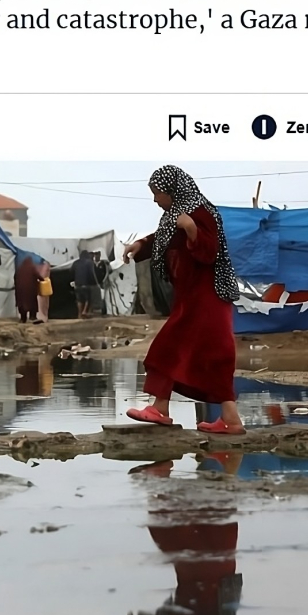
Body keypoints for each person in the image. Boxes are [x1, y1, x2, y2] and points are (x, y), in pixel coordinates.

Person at [122, 165, 244, 434]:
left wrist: (191, 230)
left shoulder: (201, 212)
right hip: (191, 295)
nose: (155, 199)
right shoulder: (173, 215)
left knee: (172, 347)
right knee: (206, 354)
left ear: (172, 191)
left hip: (209, 295)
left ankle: (160, 407)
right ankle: (229, 419)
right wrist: (139, 246)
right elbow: (162, 239)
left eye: (157, 193)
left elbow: (210, 252)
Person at [127, 460, 243, 615]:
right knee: (189, 521)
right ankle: (213, 465)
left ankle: (164, 474)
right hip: (211, 575)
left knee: (166, 528)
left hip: (191, 578)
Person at [14, 256, 40, 323]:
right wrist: (43, 280)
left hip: (20, 291)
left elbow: (15, 277)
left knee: (22, 304)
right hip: (30, 291)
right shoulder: (32, 267)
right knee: (32, 303)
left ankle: (23, 318)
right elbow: (38, 275)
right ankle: (32, 317)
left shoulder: (20, 268)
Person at [73, 249, 98, 319]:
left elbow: (71, 271)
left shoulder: (75, 263)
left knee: (79, 300)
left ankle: (79, 313)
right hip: (86, 285)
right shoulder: (90, 262)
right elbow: (93, 273)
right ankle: (84, 311)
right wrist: (94, 283)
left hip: (77, 285)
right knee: (88, 299)